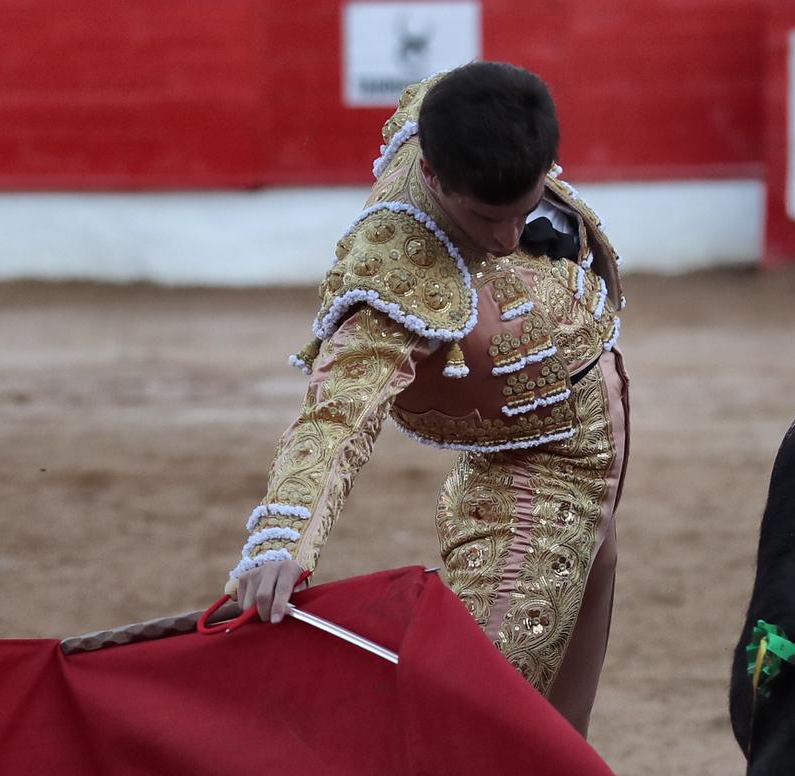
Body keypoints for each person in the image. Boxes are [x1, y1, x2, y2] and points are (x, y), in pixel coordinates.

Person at [226, 61, 627, 735]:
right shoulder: (395, 268)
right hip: (535, 471)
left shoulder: (451, 112)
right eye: (485, 217)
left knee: (522, 718)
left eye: (524, 212)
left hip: (571, 445)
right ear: (435, 178)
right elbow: (337, 413)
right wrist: (281, 541)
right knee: (481, 712)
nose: (505, 239)